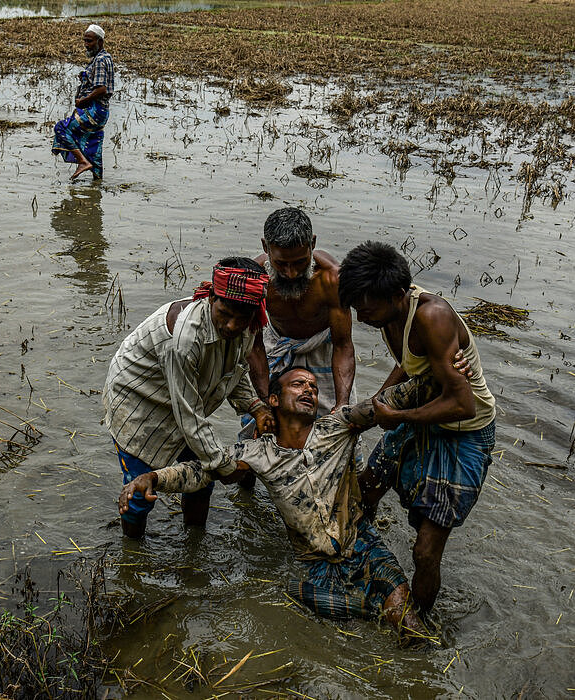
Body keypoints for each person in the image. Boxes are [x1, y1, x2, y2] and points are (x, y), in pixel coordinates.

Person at [120, 367, 447, 635]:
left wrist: (441, 371)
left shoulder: (337, 427)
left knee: (408, 625)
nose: (309, 390)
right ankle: (370, 607)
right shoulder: (259, 453)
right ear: (273, 400)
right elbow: (202, 471)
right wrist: (154, 478)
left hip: (364, 545)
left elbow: (383, 403)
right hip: (316, 564)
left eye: (314, 387)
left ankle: (389, 616)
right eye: (298, 384)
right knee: (294, 592)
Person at [338, 240, 497, 613]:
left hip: (464, 431)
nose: (361, 319)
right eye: (357, 309)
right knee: (363, 495)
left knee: (425, 551)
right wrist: (377, 402)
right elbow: (411, 364)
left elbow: (463, 403)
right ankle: (368, 567)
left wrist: (398, 418)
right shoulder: (390, 313)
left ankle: (419, 622)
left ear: (397, 295)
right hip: (422, 413)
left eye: (367, 309)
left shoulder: (432, 316)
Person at [104, 258, 274, 539]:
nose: (231, 326)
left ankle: (194, 542)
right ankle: (132, 554)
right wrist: (224, 465)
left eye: (241, 319)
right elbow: (190, 417)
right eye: (225, 313)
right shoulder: (185, 338)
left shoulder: (249, 325)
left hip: (182, 398)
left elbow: (233, 369)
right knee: (139, 493)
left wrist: (255, 407)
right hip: (139, 400)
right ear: (211, 297)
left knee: (201, 479)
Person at [248, 208, 355, 414]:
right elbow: (254, 346)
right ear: (265, 247)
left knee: (332, 420)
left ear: (312, 244)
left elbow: (343, 345)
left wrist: (342, 403)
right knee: (265, 417)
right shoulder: (255, 278)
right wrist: (263, 402)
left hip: (323, 349)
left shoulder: (332, 279)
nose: (291, 273)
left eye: (299, 262)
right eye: (281, 264)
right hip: (276, 344)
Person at [52, 24, 114, 180]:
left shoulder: (99, 61)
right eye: (85, 41)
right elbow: (98, 83)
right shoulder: (105, 58)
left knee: (61, 128)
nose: (86, 44)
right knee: (95, 150)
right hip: (102, 112)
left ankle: (82, 161)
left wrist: (83, 100)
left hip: (94, 110)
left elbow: (101, 89)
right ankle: (96, 187)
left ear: (100, 41)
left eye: (90, 41)